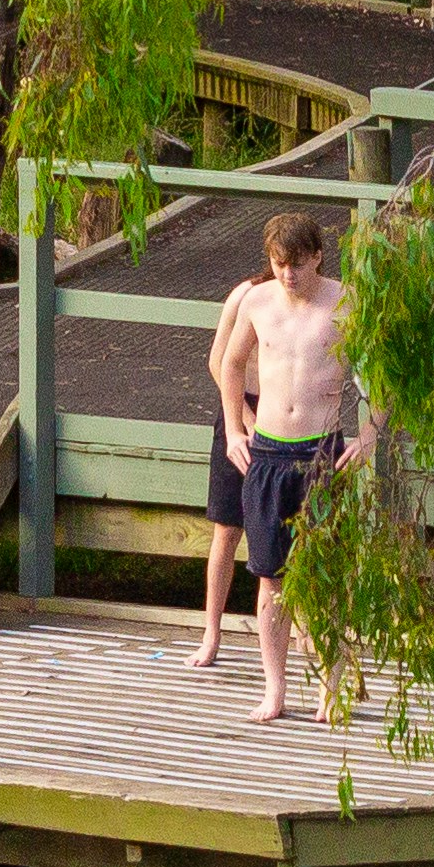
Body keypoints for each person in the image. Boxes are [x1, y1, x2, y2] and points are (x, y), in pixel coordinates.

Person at [218, 211, 365, 725]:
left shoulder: (345, 301)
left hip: (321, 453)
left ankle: (332, 685)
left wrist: (370, 435)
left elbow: (382, 374)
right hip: (269, 453)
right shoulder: (256, 301)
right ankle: (274, 690)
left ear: (318, 257)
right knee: (269, 579)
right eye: (279, 264)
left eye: (297, 265)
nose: (287, 275)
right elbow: (230, 364)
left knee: (324, 577)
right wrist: (236, 428)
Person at [186, 261, 269, 672]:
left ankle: (292, 636)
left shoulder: (310, 302)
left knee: (282, 534)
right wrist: (244, 421)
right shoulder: (246, 296)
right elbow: (218, 362)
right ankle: (211, 634)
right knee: (226, 528)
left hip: (284, 412)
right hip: (240, 407)